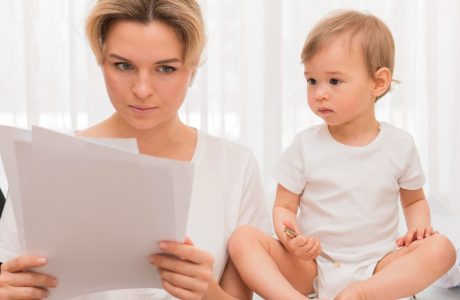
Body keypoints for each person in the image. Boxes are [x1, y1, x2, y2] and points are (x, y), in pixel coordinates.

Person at [0, 0, 271, 299]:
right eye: (124, 65)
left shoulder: (234, 167)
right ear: (101, 61)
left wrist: (207, 292)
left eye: (165, 68)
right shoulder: (44, 160)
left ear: (193, 69)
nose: (142, 89)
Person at [228, 10, 457, 300]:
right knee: (242, 239)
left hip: (379, 266)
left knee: (443, 248)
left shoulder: (400, 145)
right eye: (311, 81)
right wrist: (293, 239)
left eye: (334, 81)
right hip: (313, 266)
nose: (319, 93)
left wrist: (420, 229)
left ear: (378, 83)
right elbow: (284, 207)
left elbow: (414, 200)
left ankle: (362, 294)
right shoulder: (305, 146)